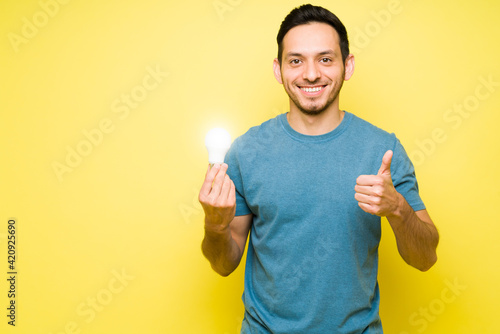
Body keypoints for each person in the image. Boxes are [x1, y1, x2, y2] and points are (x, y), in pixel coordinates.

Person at [199, 4, 439, 333]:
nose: (311, 74)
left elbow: (425, 258)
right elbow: (224, 264)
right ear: (278, 69)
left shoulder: (383, 149)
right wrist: (214, 226)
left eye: (325, 59)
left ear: (347, 65)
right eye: (296, 61)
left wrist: (398, 209)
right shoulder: (245, 151)